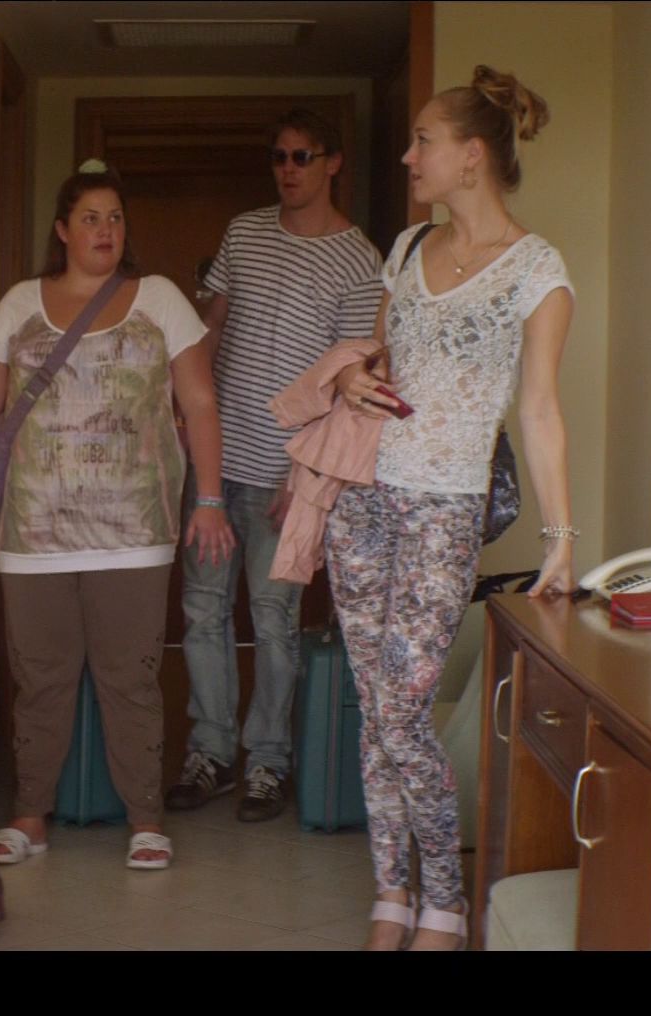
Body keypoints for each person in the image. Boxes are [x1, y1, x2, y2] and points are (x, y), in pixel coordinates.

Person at [327, 66, 576, 949]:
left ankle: (445, 899)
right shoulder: (404, 249)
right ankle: (391, 893)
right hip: (361, 500)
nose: (408, 156)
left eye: (423, 141)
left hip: (444, 510)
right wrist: (353, 378)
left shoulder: (537, 270)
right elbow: (381, 360)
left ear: (472, 156)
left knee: (402, 709)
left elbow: (539, 411)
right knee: (374, 707)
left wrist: (560, 537)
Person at [0, 161, 235, 871]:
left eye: (115, 218)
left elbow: (199, 401)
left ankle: (146, 820)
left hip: (135, 530)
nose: (106, 230)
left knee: (130, 679)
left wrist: (209, 498)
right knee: (40, 679)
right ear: (63, 230)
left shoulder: (160, 299)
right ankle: (29, 817)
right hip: (32, 529)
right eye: (90, 218)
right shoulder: (20, 304)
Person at [169, 109, 385, 823]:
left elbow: (352, 389)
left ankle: (268, 763)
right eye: (278, 157)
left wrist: (309, 483)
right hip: (214, 464)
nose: (288, 169)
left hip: (286, 475)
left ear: (333, 163)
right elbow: (210, 328)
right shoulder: (244, 232)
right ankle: (210, 753)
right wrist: (183, 412)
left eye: (302, 156)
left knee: (274, 620)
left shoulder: (361, 262)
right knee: (202, 611)